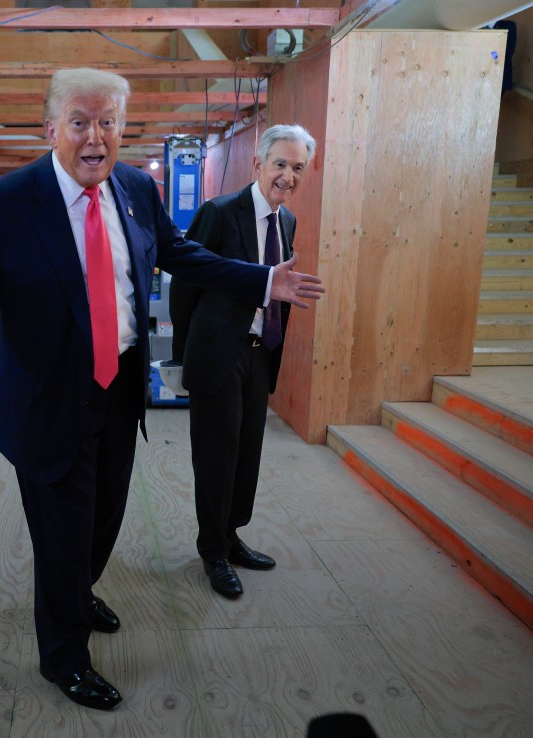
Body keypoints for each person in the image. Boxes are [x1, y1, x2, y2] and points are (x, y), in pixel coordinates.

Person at [0, 69, 324, 710]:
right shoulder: (7, 204)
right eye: (80, 121)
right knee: (62, 535)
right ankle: (64, 657)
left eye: (108, 122)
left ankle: (78, 592)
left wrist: (260, 280)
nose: (95, 136)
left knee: (103, 517)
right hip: (47, 399)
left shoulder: (134, 187)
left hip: (119, 390)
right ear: (51, 129)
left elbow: (181, 254)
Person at [169, 124, 316, 600]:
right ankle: (211, 550)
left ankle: (232, 536)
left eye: (298, 168)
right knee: (216, 452)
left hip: (259, 352)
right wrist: (182, 356)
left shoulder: (286, 222)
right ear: (258, 164)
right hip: (217, 353)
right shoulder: (219, 212)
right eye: (280, 164)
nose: (288, 176)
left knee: (247, 451)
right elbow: (185, 285)